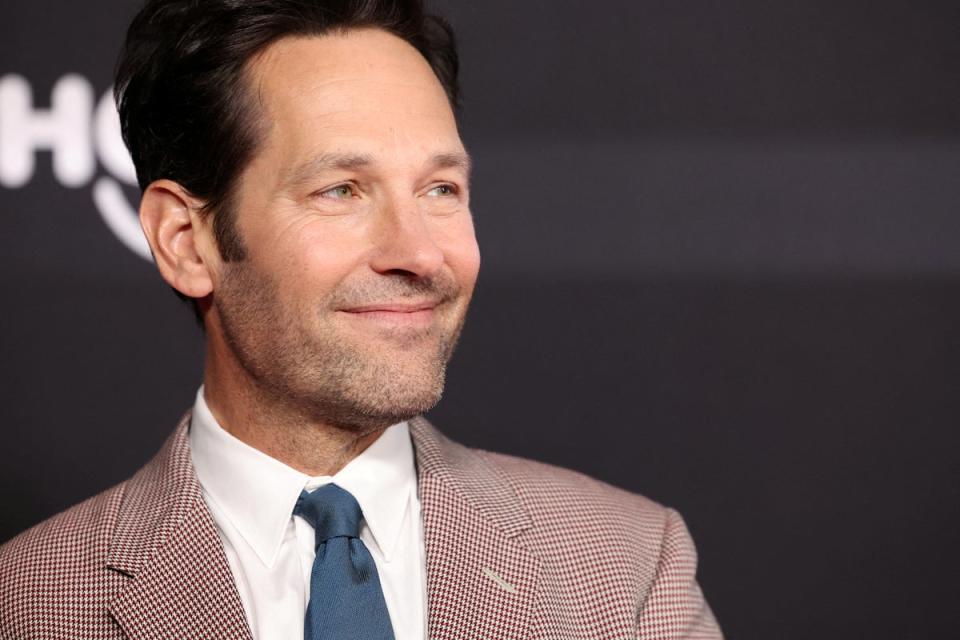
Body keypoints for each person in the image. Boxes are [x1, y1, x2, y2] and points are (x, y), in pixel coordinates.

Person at [0, 1, 722, 638]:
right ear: (186, 242)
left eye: (441, 188)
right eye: (341, 190)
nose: (419, 252)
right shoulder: (30, 603)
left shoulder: (626, 567)